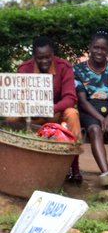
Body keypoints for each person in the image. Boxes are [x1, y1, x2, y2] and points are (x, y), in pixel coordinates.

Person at [18, 35, 82, 182]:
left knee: (72, 113)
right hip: (33, 113)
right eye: (40, 58)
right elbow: (19, 98)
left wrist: (51, 108)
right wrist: (29, 108)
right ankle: (17, 162)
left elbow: (70, 98)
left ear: (53, 53)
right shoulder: (24, 69)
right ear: (34, 56)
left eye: (48, 57)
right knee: (11, 119)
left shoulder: (64, 67)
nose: (45, 61)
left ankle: (74, 166)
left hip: (56, 112)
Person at [73, 30, 108, 190]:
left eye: (103, 49)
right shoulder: (78, 70)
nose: (99, 51)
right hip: (89, 110)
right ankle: (107, 173)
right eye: (96, 47)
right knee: (95, 130)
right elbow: (82, 101)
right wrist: (101, 118)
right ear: (90, 47)